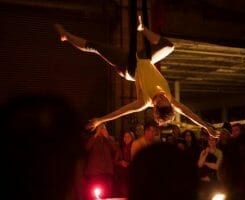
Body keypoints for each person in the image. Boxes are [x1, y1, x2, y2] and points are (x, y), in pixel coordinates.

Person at [54, 16, 216, 137]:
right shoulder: (170, 100)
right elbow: (190, 114)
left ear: (155, 107)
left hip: (129, 67)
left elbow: (121, 112)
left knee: (96, 47)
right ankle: (141, 27)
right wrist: (206, 126)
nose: (161, 96)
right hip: (145, 59)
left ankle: (66, 36)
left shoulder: (143, 101)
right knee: (168, 46)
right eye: (165, 99)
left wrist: (101, 120)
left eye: (159, 101)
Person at [83, 124, 117, 199]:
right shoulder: (93, 138)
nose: (102, 130)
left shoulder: (110, 139)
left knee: (107, 192)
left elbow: (115, 149)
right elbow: (87, 148)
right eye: (100, 128)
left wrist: (107, 137)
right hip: (95, 171)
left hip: (107, 171)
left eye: (103, 128)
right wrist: (96, 135)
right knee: (94, 193)